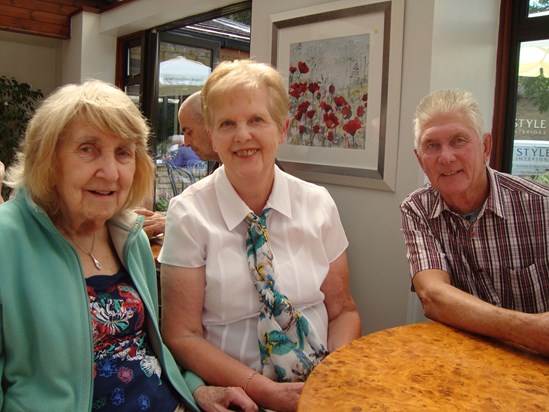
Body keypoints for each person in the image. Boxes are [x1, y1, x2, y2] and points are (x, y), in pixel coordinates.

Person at [0, 80, 257, 412]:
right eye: (87, 149)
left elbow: (148, 347)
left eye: (123, 153)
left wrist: (197, 389)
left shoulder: (128, 235)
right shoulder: (9, 241)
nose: (110, 172)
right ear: (49, 160)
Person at [159, 59, 362, 412]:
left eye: (256, 120)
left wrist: (332, 375)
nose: (242, 135)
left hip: (322, 384)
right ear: (212, 134)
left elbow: (343, 310)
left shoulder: (318, 203)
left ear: (281, 130)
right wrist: (264, 391)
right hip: (237, 395)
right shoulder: (188, 214)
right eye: (227, 123)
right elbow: (181, 334)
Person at [400, 88, 549, 357]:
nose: (446, 157)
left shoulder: (542, 206)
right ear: (420, 159)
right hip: (468, 363)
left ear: (485, 147)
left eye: (458, 140)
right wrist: (529, 330)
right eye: (432, 145)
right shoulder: (416, 208)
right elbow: (432, 296)